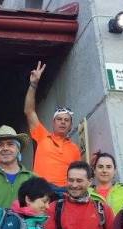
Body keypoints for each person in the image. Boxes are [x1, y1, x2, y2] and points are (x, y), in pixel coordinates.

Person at [24, 61, 82, 196]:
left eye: (66, 120)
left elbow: (78, 174)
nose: (63, 122)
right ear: (53, 123)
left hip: (66, 193)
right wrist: (33, 84)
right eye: (59, 119)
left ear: (70, 126)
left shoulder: (75, 149)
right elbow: (29, 111)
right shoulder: (42, 136)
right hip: (43, 191)